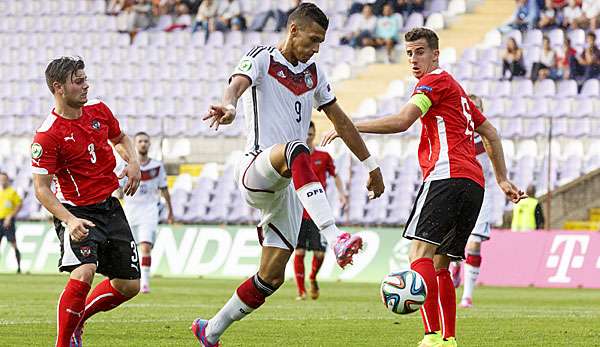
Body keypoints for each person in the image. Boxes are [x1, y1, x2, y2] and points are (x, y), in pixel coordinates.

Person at [191, 4, 385, 346]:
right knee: (297, 147)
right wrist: (230, 105)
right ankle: (335, 236)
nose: (316, 48)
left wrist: (371, 166)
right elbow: (236, 84)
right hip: (257, 169)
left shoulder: (314, 73)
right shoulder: (263, 58)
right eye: (312, 39)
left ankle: (211, 330)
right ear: (293, 30)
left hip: (287, 190)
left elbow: (341, 121)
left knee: (271, 277)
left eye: (321, 42)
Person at [322, 28, 525, 347]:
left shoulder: (434, 81)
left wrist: (348, 125)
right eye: (409, 54)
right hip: (473, 184)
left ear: (435, 54)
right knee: (441, 264)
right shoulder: (457, 90)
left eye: (419, 52)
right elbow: (491, 132)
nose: (414, 60)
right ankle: (448, 339)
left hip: (446, 176)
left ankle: (430, 336)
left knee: (419, 255)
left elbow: (403, 121)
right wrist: (501, 178)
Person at [31, 56, 142, 347]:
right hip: (76, 212)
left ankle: (78, 319)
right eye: (78, 81)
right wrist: (69, 220)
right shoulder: (47, 135)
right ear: (58, 88)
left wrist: (133, 162)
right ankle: (63, 342)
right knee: (84, 271)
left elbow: (121, 138)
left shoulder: (99, 110)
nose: (86, 85)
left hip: (110, 205)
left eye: (85, 78)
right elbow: (41, 189)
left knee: (129, 286)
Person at [446, 95, 496, 308]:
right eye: (470, 107)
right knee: (452, 244)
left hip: (483, 191)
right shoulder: (456, 133)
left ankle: (467, 296)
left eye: (477, 108)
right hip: (459, 192)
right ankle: (456, 264)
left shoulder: (486, 134)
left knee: (474, 244)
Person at [294, 121, 348, 301]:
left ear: (314, 134)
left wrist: (342, 194)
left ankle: (312, 277)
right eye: (306, 134)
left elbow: (336, 175)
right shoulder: (295, 157)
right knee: (299, 252)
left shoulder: (323, 156)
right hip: (299, 213)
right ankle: (301, 291)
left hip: (318, 213)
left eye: (311, 134)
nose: (308, 137)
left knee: (319, 253)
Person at [122, 132, 174, 294]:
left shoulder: (157, 167)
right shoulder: (127, 166)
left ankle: (144, 282)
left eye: (146, 141)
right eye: (140, 141)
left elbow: (164, 188)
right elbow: (118, 189)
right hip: (130, 209)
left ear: (149, 144)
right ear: (135, 145)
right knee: (127, 248)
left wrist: (170, 212)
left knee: (145, 247)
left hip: (149, 210)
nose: (143, 144)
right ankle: (127, 278)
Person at [0, 172, 22, 274]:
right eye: (1, 179)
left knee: (13, 243)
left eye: (4, 179)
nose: (2, 181)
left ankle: (19, 267)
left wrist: (10, 216)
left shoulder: (12, 192)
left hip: (8, 221)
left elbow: (19, 205)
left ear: (7, 180)